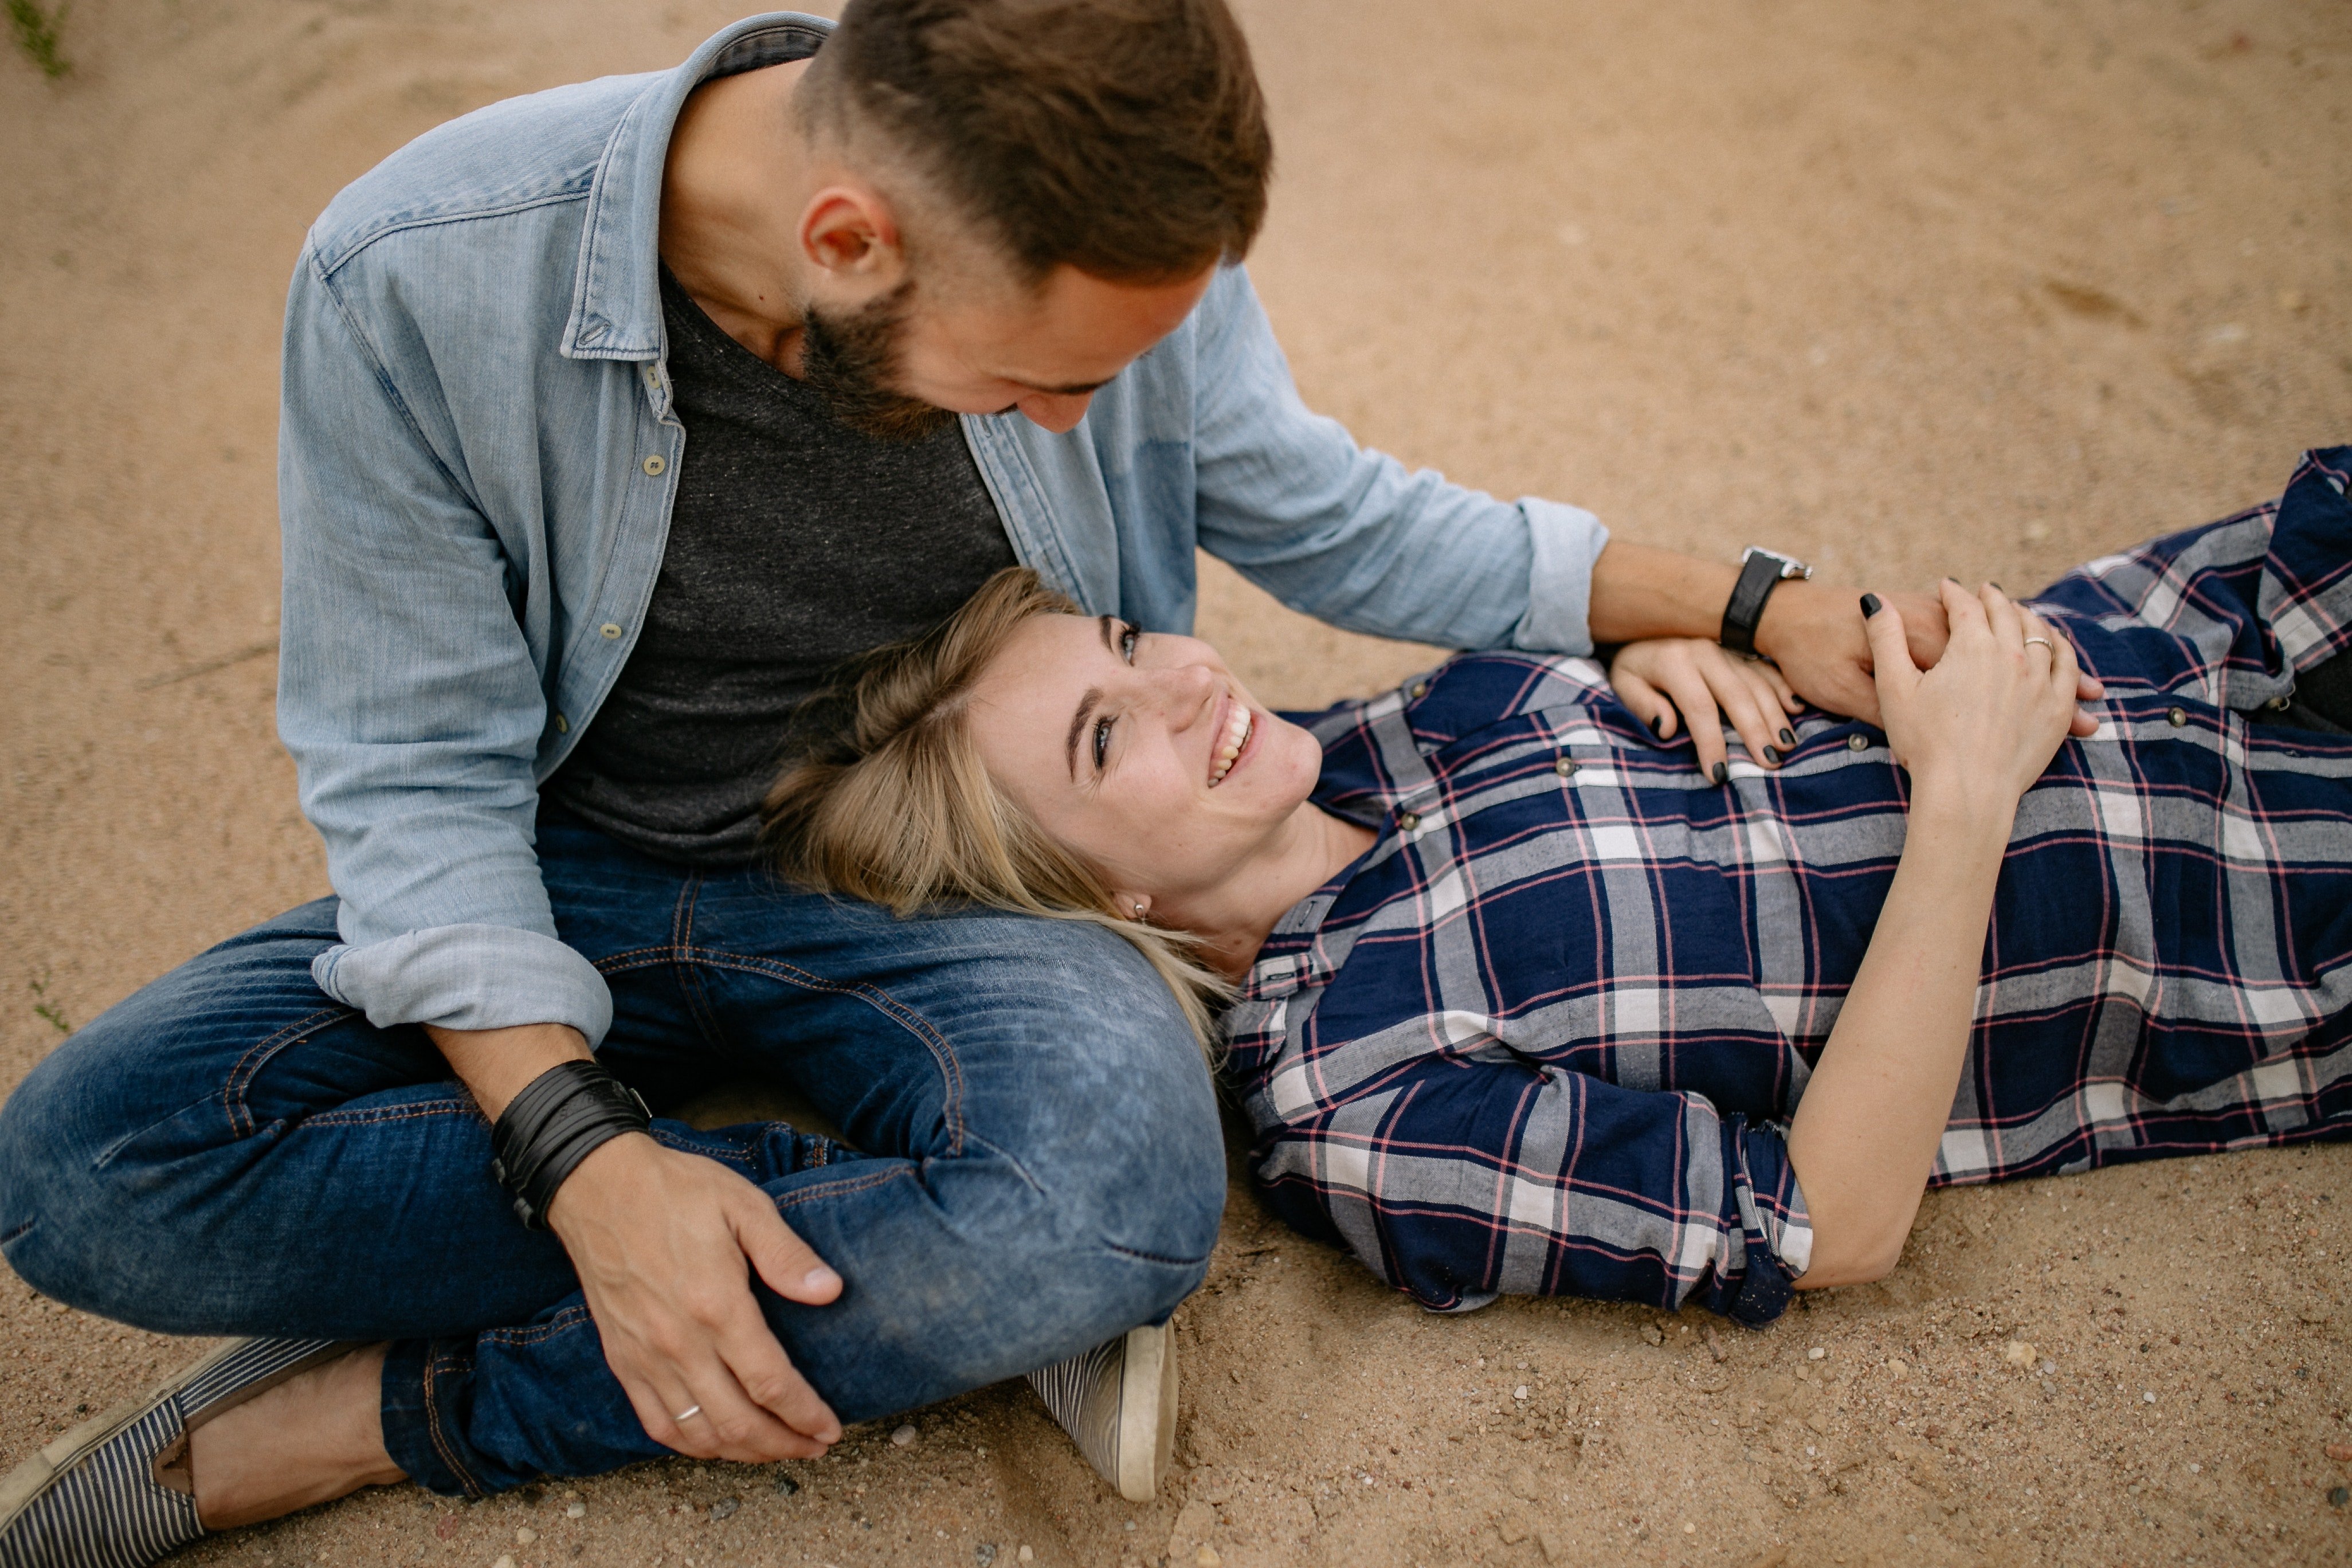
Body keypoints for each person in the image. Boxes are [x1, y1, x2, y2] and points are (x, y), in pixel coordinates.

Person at [0, 2, 1968, 1558]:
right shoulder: (410, 281)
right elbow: (414, 782)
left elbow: (1334, 517)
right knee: (82, 1176)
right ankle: (886, 1250)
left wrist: (1739, 589)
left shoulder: (1087, 243)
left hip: (952, 898)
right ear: (847, 244)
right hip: (558, 878)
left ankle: (368, 1416)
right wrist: (585, 1162)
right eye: (1047, 389)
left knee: (1116, 1185)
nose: (1089, 423)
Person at [764, 448, 2352, 1324]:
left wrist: (1663, 641)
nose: (1184, 677)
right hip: (2247, 901)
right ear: (1093, 902)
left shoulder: (1353, 743)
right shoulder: (1357, 1105)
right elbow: (1823, 1223)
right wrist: (1965, 797)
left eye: (1122, 641)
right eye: (1112, 739)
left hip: (2198, 624)